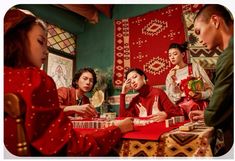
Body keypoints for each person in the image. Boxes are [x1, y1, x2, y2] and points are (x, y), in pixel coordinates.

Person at [4, 8, 134, 156]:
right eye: (41, 41)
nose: (46, 51)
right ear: (76, 80)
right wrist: (74, 109)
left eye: (91, 81)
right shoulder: (50, 86)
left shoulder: (86, 99)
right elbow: (67, 145)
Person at [188, 4, 233, 156]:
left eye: (199, 32)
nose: (199, 40)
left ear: (215, 21)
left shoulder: (228, 57)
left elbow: (214, 113)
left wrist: (209, 113)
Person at [166, 42, 214, 117]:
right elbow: (171, 100)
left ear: (183, 54)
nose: (172, 57)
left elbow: (211, 90)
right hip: (181, 111)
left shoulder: (195, 68)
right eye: (169, 55)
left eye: (175, 54)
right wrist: (172, 81)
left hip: (199, 106)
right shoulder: (170, 75)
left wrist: (201, 95)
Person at [119, 68, 183, 122]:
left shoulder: (158, 92)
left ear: (143, 77)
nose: (132, 81)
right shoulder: (135, 100)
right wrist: (123, 94)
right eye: (129, 81)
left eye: (134, 77)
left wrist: (166, 114)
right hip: (143, 134)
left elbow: (177, 112)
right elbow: (122, 118)